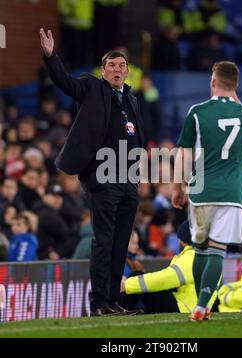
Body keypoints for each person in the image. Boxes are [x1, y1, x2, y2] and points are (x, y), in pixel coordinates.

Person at [39, 28, 144, 316]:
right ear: (103, 70)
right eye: (111, 65)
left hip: (127, 180)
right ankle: (98, 302)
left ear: (127, 71)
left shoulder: (132, 100)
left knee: (120, 243)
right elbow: (64, 83)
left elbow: (137, 139)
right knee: (104, 240)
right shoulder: (91, 88)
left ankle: (112, 300)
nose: (117, 70)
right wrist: (51, 57)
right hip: (101, 177)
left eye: (121, 66)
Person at [172, 61, 242, 321]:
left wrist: (178, 187)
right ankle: (202, 305)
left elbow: (184, 154)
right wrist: (234, 95)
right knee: (217, 251)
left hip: (201, 192)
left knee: (199, 249)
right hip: (231, 194)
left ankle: (199, 305)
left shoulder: (197, 112)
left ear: (212, 82)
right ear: (236, 85)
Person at [119, 220, 217, 314]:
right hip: (192, 307)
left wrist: (127, 285)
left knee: (137, 276)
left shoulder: (193, 256)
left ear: (184, 240)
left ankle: (119, 309)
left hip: (183, 307)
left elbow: (166, 278)